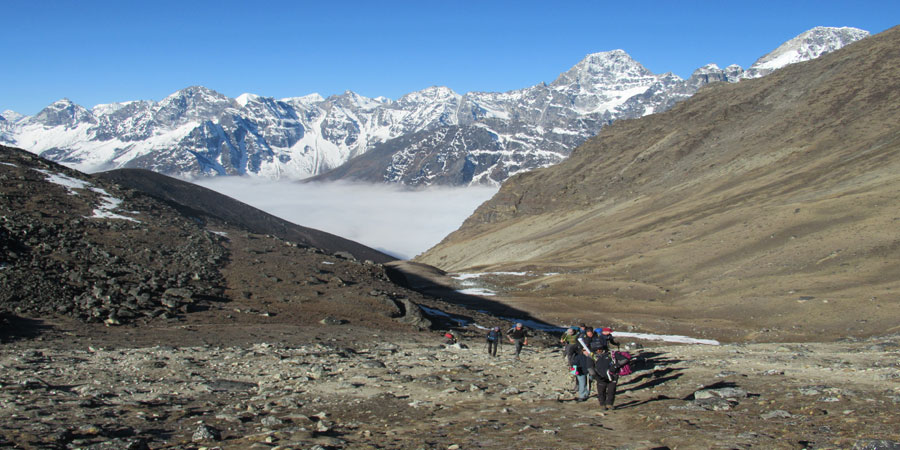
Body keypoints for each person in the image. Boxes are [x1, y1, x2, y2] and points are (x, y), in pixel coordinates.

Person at [591, 346, 619, 410]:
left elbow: (622, 360)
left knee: (611, 390)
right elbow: (590, 367)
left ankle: (610, 404)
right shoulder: (593, 356)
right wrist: (596, 376)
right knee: (601, 391)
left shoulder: (611, 355)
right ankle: (602, 404)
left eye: (600, 349)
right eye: (597, 349)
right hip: (600, 376)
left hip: (612, 376)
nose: (598, 350)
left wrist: (617, 366)